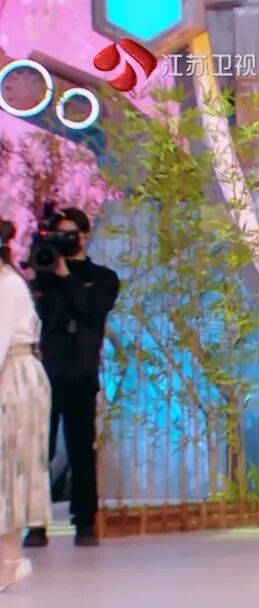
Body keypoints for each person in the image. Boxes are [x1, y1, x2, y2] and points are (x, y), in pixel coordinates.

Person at [23, 208, 119, 548]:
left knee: (81, 450)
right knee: (39, 451)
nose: (63, 240)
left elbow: (92, 311)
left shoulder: (102, 277)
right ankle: (36, 523)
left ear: (83, 236)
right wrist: (38, 278)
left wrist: (66, 275)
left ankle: (85, 521)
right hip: (44, 376)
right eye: (58, 234)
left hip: (80, 374)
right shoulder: (43, 275)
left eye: (69, 234)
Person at [0, 220, 51, 591]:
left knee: (11, 468)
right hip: (11, 373)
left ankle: (10, 560)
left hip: (15, 377)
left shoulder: (7, 285)